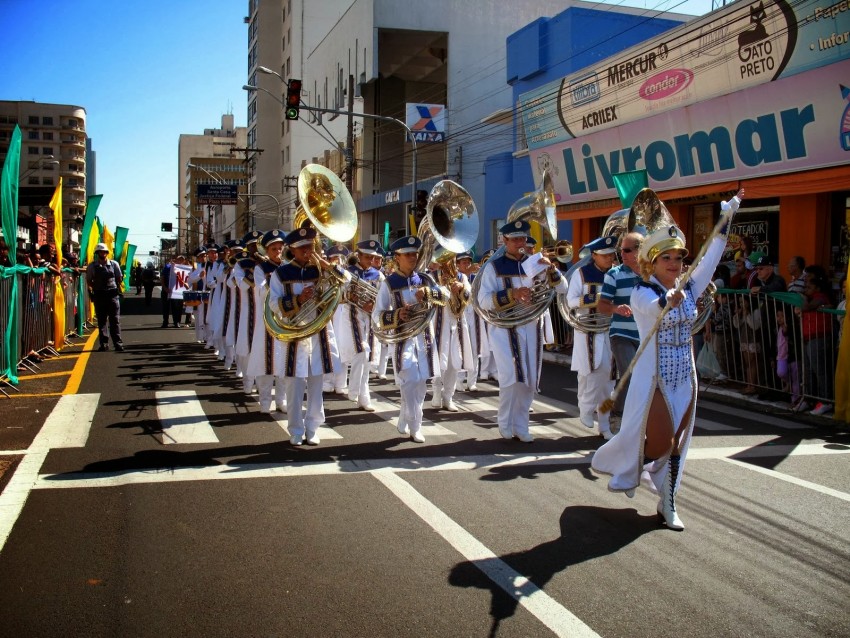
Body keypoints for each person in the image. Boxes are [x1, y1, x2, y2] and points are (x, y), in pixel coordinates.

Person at [592, 188, 744, 531]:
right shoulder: (642, 290)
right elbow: (650, 308)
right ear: (653, 263)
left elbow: (711, 260)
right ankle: (632, 465)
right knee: (664, 442)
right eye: (667, 259)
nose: (674, 264)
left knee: (679, 444)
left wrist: (726, 218)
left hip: (685, 378)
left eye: (678, 258)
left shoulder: (689, 287)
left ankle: (668, 501)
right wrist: (668, 301)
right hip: (655, 379)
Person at [475, 221, 567, 442]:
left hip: (532, 327)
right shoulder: (493, 267)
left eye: (522, 239)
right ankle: (504, 421)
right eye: (514, 239)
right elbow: (484, 301)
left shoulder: (536, 263)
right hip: (505, 329)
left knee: (529, 379)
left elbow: (562, 288)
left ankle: (522, 424)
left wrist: (552, 268)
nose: (520, 243)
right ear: (504, 241)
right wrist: (513, 294)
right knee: (511, 378)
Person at [268, 227, 344, 445]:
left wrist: (329, 266)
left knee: (316, 385)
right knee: (294, 385)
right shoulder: (281, 273)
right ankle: (295, 429)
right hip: (294, 335)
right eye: (302, 247)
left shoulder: (322, 270)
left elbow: (346, 282)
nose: (307, 251)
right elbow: (273, 303)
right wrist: (298, 300)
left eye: (310, 246)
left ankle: (312, 428)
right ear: (292, 249)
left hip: (318, 335)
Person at [372, 235, 446, 443]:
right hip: (403, 339)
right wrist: (396, 316)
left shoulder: (425, 279)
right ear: (397, 257)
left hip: (424, 339)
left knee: (421, 383)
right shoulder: (388, 283)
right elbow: (377, 315)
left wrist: (429, 292)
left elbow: (445, 299)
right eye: (408, 255)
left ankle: (406, 414)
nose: (413, 257)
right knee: (409, 380)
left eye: (414, 254)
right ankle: (415, 423)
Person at [567, 235, 618, 440]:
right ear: (594, 255)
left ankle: (604, 425)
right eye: (604, 255)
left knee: (609, 380)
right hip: (588, 330)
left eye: (611, 255)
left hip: (610, 329)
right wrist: (597, 299)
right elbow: (570, 301)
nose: (609, 258)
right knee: (590, 373)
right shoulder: (581, 273)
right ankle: (586, 407)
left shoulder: (617, 273)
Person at [598, 232, 643, 433]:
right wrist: (616, 309)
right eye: (621, 250)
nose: (621, 254)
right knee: (629, 374)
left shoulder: (653, 275)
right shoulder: (614, 274)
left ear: (640, 251)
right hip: (621, 335)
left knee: (645, 379)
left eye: (626, 250)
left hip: (645, 336)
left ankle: (638, 419)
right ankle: (616, 415)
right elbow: (602, 305)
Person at [339, 240, 384, 412]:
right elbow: (341, 295)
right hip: (352, 317)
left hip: (371, 318)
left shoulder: (378, 275)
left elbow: (384, 296)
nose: (371, 261)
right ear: (359, 256)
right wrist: (359, 302)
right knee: (362, 352)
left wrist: (376, 305)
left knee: (367, 358)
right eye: (367, 257)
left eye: (373, 257)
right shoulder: (348, 273)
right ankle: (355, 390)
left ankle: (363, 397)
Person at [85, 242, 125, 352]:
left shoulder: (114, 264)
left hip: (112, 295)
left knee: (115, 320)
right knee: (102, 321)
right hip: (99, 295)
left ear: (107, 253)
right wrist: (95, 289)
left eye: (104, 252)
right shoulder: (92, 266)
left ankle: (118, 343)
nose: (102, 253)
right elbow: (89, 280)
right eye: (100, 252)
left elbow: (119, 278)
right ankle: (104, 343)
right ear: (97, 253)